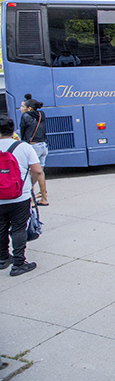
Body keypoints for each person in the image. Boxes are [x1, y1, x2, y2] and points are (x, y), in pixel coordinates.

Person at [0, 115, 43, 276]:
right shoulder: (23, 147)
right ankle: (19, 263)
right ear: (12, 130)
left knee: (1, 227)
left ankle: (3, 259)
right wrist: (29, 185)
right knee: (18, 228)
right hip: (19, 196)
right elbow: (38, 170)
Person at [19, 94, 48, 206]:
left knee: (30, 173)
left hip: (33, 147)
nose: (20, 108)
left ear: (29, 108)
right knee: (40, 172)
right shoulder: (42, 114)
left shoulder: (25, 116)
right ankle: (44, 198)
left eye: (22, 106)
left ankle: (31, 200)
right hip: (43, 146)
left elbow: (23, 132)